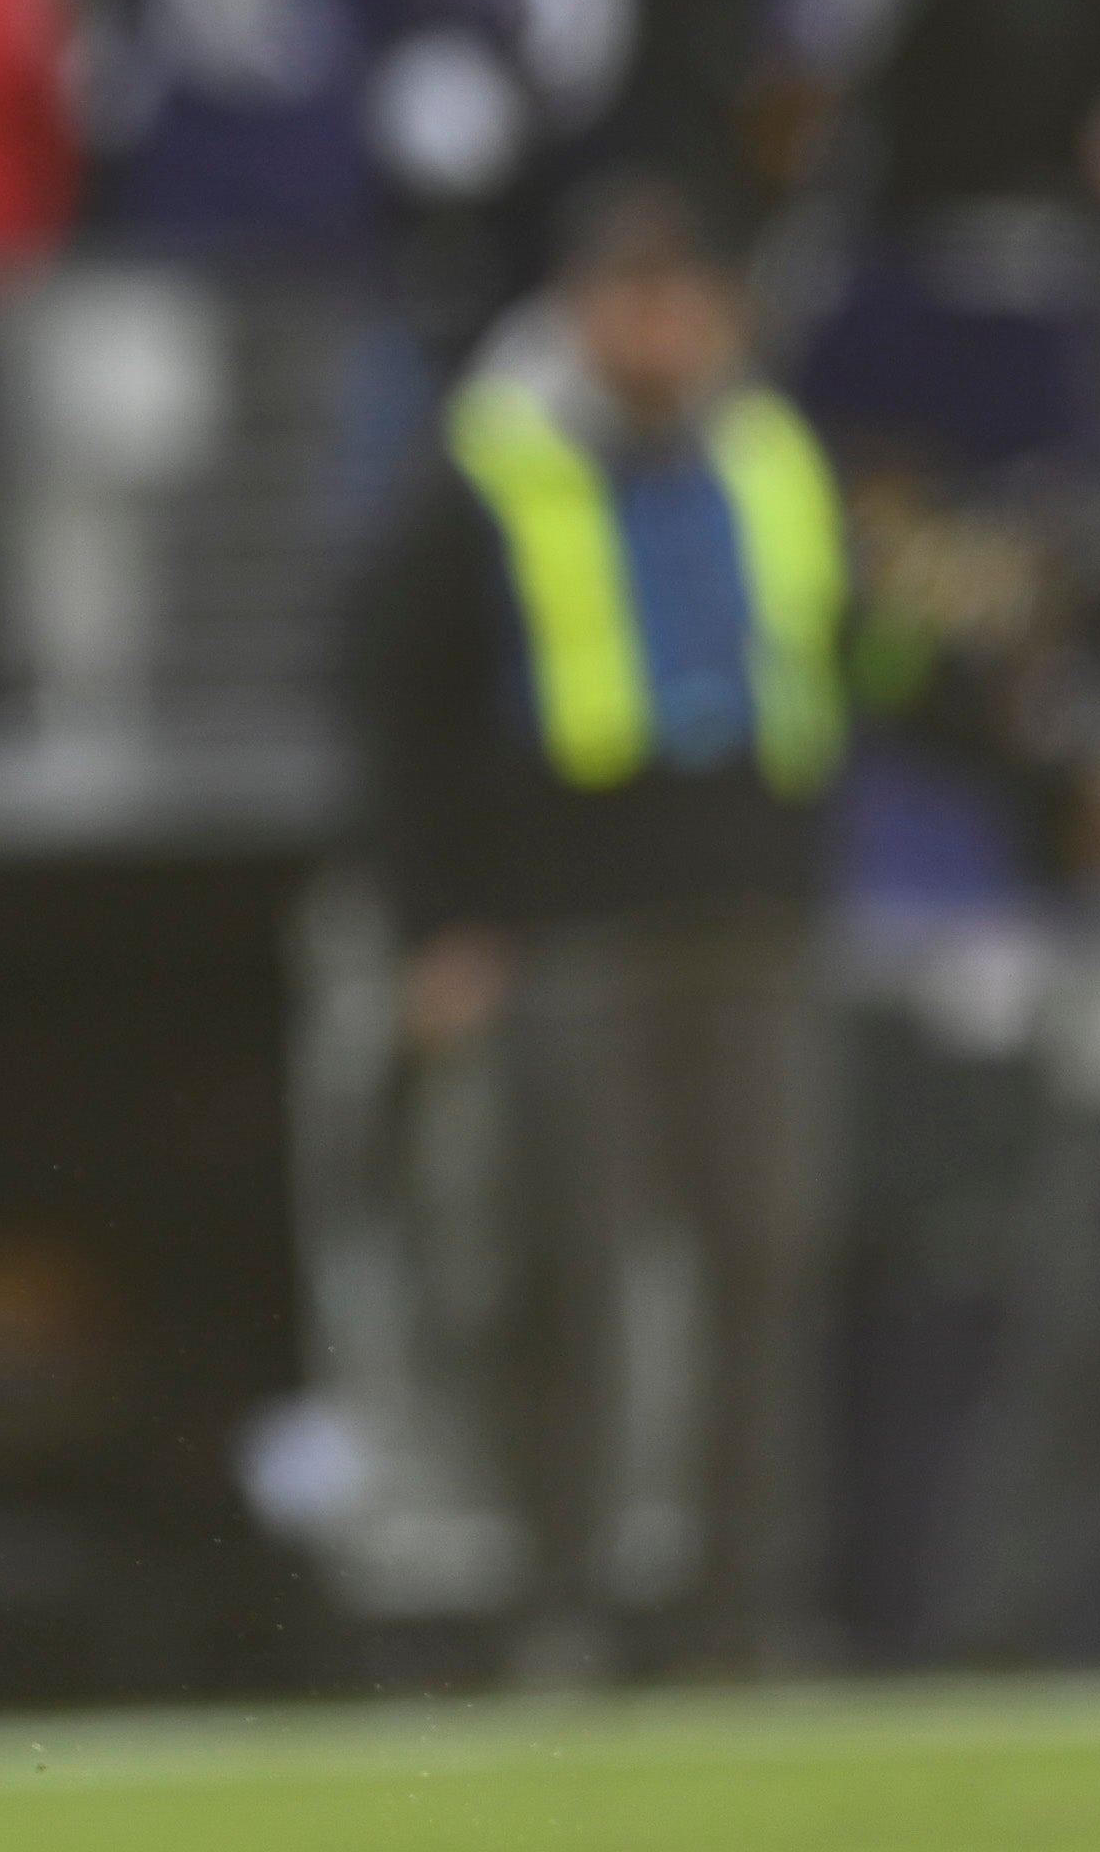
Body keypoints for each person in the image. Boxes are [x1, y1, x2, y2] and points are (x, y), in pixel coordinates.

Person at [343, 182, 844, 1677]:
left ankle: (735, 1610)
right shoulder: (487, 472)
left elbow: (830, 653)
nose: (662, 329)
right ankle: (560, 1604)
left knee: (763, 1267)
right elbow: (401, 714)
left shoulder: (766, 453)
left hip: (753, 924)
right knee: (568, 1277)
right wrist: (441, 922)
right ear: (579, 308)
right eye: (633, 296)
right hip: (573, 932)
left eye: (685, 296)